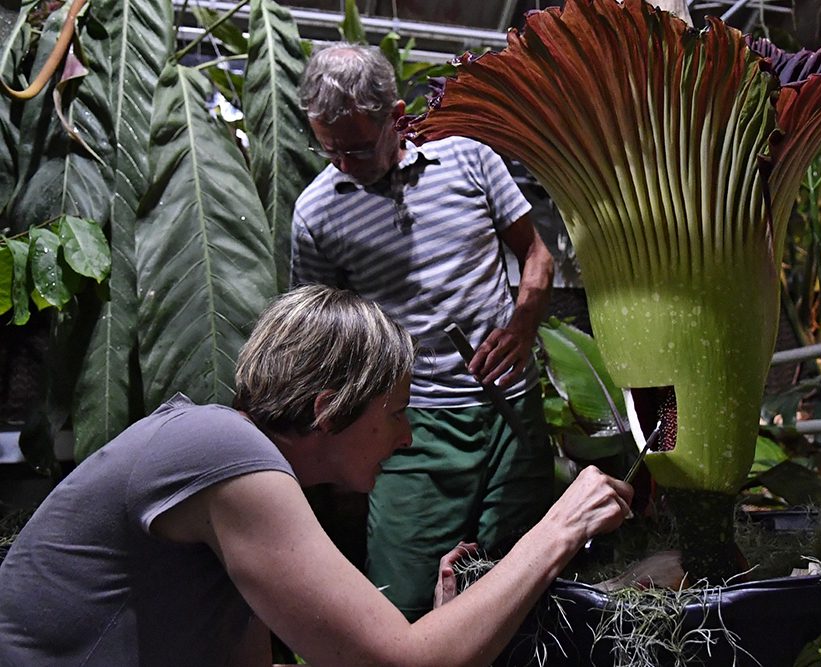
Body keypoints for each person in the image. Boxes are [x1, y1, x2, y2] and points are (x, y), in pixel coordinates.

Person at [0, 285, 633, 666]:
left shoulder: (224, 457)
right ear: (330, 409)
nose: (409, 434)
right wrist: (561, 526)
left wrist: (450, 620)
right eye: (396, 412)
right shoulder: (218, 449)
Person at [292, 43, 557, 620]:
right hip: (412, 427)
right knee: (403, 599)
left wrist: (520, 327)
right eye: (329, 148)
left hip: (512, 411)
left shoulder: (470, 160)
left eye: (357, 147)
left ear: (396, 114)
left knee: (521, 580)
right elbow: (321, 332)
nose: (343, 162)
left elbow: (536, 254)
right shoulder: (316, 212)